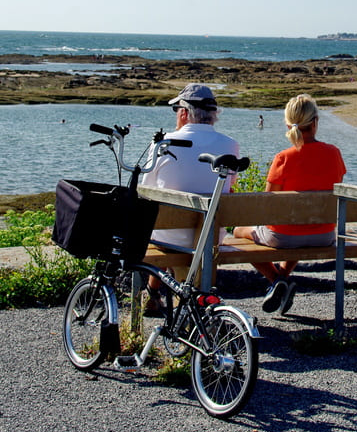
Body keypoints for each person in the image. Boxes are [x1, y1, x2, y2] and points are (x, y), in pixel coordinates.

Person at [234, 94, 346, 315]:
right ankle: (281, 280)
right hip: (324, 234)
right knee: (300, 226)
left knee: (237, 232)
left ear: (288, 125)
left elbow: (268, 205)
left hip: (283, 238)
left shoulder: (283, 158)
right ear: (315, 123)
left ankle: (276, 280)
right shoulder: (334, 153)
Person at [140, 83, 240, 315]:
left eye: (177, 110)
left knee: (162, 227)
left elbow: (147, 190)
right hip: (211, 235)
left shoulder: (163, 142)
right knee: (186, 229)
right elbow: (230, 187)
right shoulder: (230, 144)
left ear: (184, 113)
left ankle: (154, 295)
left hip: (170, 234)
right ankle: (168, 299)